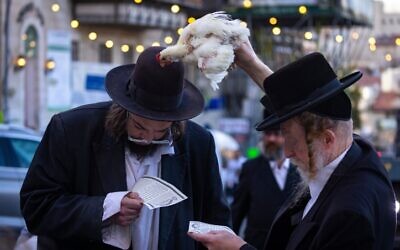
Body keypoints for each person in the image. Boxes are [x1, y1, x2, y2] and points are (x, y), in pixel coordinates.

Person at [189, 40, 396, 249]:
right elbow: (300, 105)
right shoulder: (353, 149)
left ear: (327, 139)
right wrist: (251, 63)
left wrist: (238, 248)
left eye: (293, 141)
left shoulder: (349, 214)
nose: (287, 152)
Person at [20, 46, 230, 250]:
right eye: (139, 126)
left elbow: (216, 224)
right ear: (125, 109)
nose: (148, 138)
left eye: (160, 132)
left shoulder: (198, 143)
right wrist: (105, 208)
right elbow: (36, 208)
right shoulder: (72, 130)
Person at [231, 113, 300, 249]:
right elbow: (237, 211)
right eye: (267, 134)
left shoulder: (300, 169)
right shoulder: (250, 168)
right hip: (257, 245)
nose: (271, 139)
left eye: (276, 133)